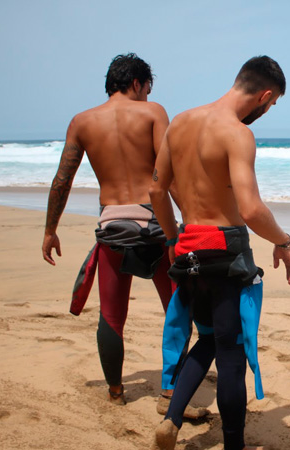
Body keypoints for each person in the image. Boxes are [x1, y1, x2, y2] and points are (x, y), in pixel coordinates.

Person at [149, 55, 290, 450]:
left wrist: (170, 239)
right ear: (264, 95)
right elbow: (250, 210)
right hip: (225, 250)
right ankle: (234, 444)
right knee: (232, 354)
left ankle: (172, 419)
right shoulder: (237, 134)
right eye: (273, 104)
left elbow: (156, 191)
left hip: (188, 248)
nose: (268, 111)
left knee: (209, 337)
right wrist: (283, 241)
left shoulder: (179, 122)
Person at [41, 53, 176, 406]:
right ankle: (171, 388)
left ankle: (116, 390)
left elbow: (62, 180)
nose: (147, 96)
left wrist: (50, 230)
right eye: (146, 89)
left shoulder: (82, 121)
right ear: (137, 84)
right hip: (156, 226)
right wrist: (189, 220)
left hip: (112, 226)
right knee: (176, 306)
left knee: (112, 315)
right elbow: (167, 173)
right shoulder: (154, 112)